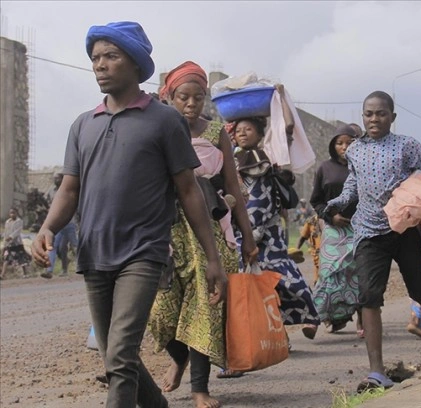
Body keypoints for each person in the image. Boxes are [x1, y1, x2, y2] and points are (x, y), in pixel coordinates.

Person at [31, 22, 228, 408]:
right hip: (94, 252)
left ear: (136, 63)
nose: (99, 65)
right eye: (95, 58)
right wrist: (47, 227)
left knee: (119, 356)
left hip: (143, 252)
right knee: (116, 356)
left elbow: (189, 191)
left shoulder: (164, 120)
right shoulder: (83, 125)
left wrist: (213, 257)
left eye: (110, 56)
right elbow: (69, 189)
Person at [325, 91, 421, 392]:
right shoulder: (354, 150)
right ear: (362, 116)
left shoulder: (406, 145)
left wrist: (414, 195)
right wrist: (336, 202)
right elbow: (353, 184)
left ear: (392, 117)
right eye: (369, 114)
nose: (374, 119)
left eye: (381, 113)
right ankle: (377, 372)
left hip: (404, 228)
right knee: (369, 296)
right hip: (368, 232)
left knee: (418, 286)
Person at [145, 61, 258, 407]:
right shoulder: (159, 129)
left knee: (205, 309)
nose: (191, 104)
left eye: (198, 97)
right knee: (157, 310)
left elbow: (232, 187)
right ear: (170, 96)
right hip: (167, 230)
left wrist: (247, 236)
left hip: (208, 229)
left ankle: (199, 388)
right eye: (183, 97)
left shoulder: (215, 133)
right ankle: (179, 357)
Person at [229, 112, 321, 341]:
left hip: (270, 236)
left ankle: (310, 316)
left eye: (248, 129)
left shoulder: (269, 157)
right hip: (240, 234)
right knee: (249, 287)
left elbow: (287, 129)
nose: (242, 132)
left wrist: (279, 97)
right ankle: (271, 335)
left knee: (283, 279)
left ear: (261, 134)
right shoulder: (229, 160)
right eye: (238, 129)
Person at [309, 124, 362, 335]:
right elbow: (316, 201)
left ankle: (362, 319)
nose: (344, 147)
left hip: (359, 228)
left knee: (357, 275)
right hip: (333, 229)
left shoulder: (362, 165)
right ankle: (315, 317)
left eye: (349, 142)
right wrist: (331, 216)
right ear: (333, 146)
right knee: (329, 273)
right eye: (340, 143)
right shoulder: (325, 168)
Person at [41, 172, 79, 278]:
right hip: (57, 224)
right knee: (52, 246)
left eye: (57, 178)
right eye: (54, 178)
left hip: (69, 222)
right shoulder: (51, 191)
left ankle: (83, 265)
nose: (55, 180)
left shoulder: (69, 189)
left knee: (74, 246)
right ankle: (49, 270)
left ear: (62, 179)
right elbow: (45, 200)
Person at [2, 208, 31, 279]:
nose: (12, 214)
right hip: (9, 244)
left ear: (16, 213)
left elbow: (17, 231)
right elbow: (6, 232)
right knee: (7, 259)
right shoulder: (7, 222)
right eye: (11, 213)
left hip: (17, 243)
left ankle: (25, 274)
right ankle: (2, 275)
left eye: (13, 213)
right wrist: (5, 242)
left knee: (21, 258)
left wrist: (11, 237)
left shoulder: (19, 221)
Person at [296, 213, 321, 284]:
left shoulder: (335, 221)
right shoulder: (311, 221)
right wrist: (296, 250)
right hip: (318, 261)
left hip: (331, 260)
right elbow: (302, 237)